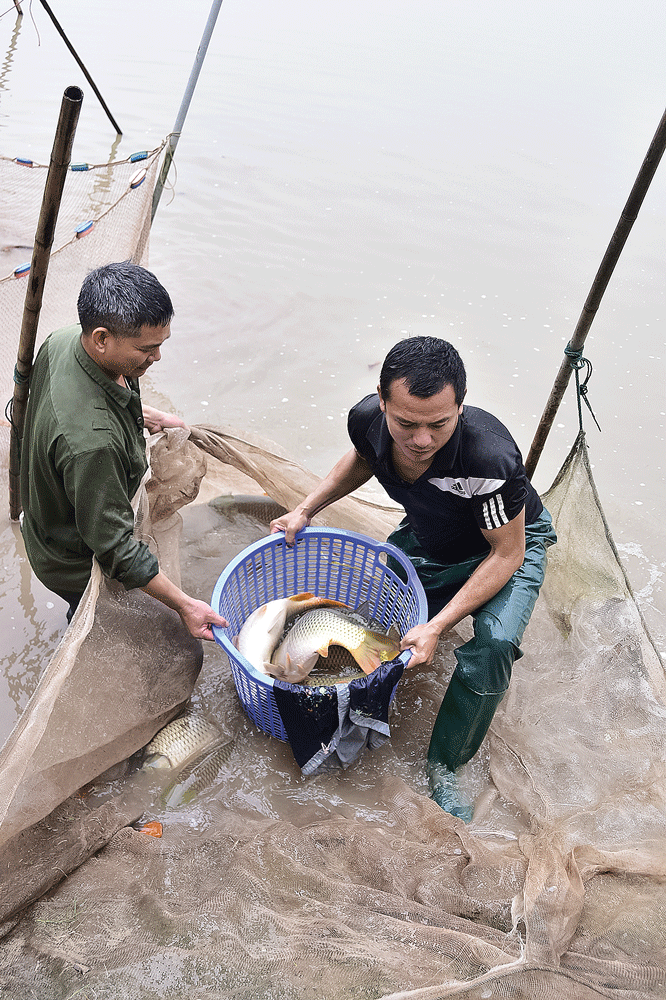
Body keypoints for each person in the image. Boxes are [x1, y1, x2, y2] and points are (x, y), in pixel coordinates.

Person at [270, 336, 556, 819]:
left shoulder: (488, 459)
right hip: (432, 531)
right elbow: (362, 458)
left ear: (460, 408)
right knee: (375, 613)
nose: (421, 439)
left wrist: (438, 625)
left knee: (492, 646)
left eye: (438, 424)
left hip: (506, 541)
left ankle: (446, 765)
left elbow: (506, 555)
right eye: (406, 423)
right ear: (382, 403)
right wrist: (304, 509)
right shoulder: (367, 421)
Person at [19, 260, 227, 641]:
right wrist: (184, 604)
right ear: (101, 338)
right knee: (128, 636)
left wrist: (135, 413)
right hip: (71, 559)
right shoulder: (93, 445)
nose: (157, 358)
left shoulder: (62, 340)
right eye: (147, 349)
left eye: (161, 345)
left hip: (46, 514)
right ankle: (85, 631)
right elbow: (115, 550)